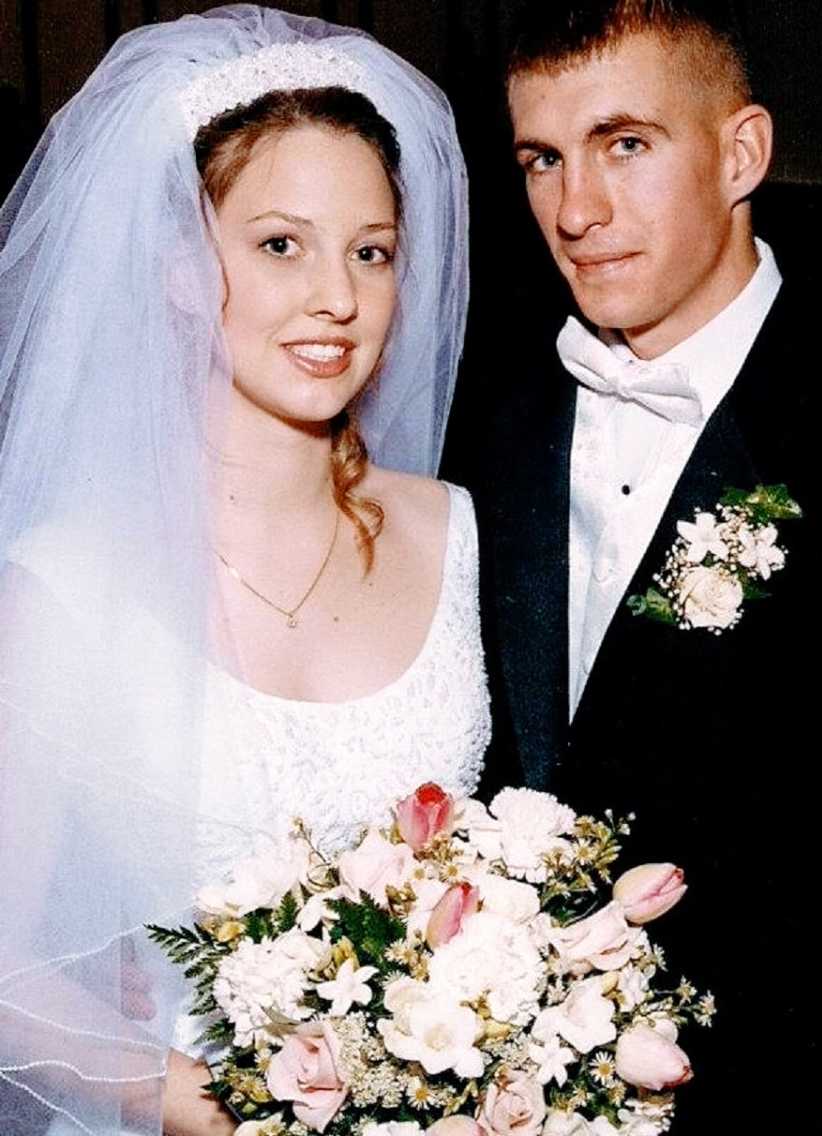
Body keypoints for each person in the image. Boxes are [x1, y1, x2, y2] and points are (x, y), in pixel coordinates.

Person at [0, 6, 488, 1134]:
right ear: (181, 268)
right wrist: (208, 1102)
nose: (338, 296)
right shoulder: (66, 588)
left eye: (371, 250)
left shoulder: (460, 535)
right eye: (281, 244)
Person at [446, 2, 822, 1132]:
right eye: (542, 159)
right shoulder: (482, 416)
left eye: (625, 144)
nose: (576, 211)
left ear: (742, 152)